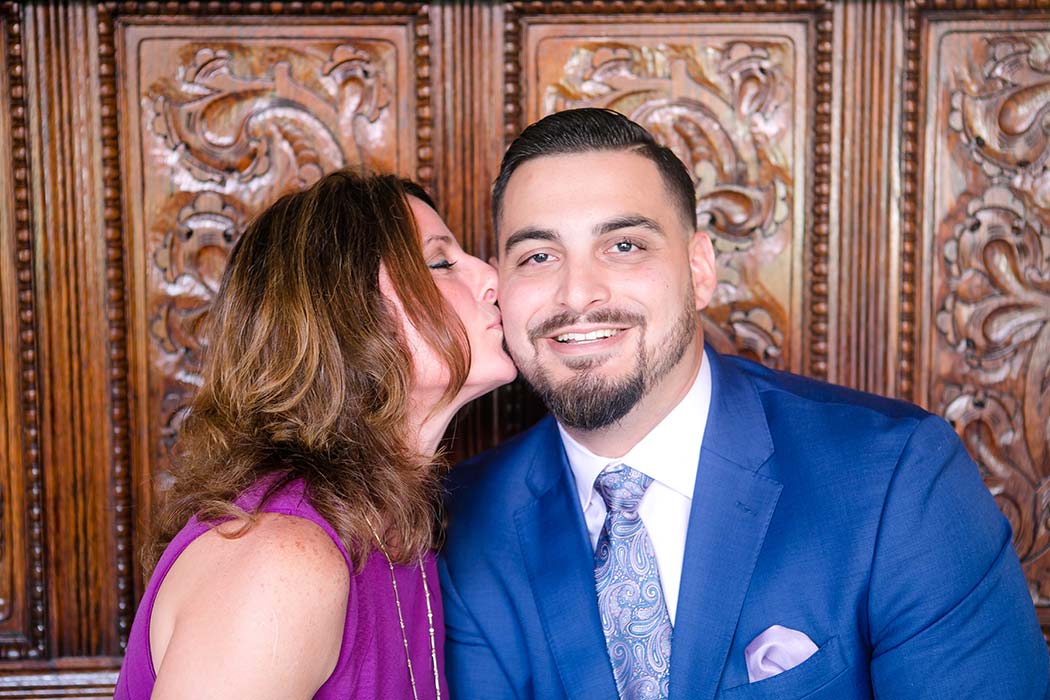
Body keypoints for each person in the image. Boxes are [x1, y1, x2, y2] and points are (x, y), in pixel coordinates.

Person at [438, 108, 1049, 699]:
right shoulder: (462, 521)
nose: (578, 293)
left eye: (624, 246)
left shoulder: (897, 478)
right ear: (501, 286)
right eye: (538, 257)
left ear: (700, 269)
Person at [114, 168, 516, 699]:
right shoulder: (280, 562)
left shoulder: (399, 524)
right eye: (441, 262)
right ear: (350, 317)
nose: (491, 276)